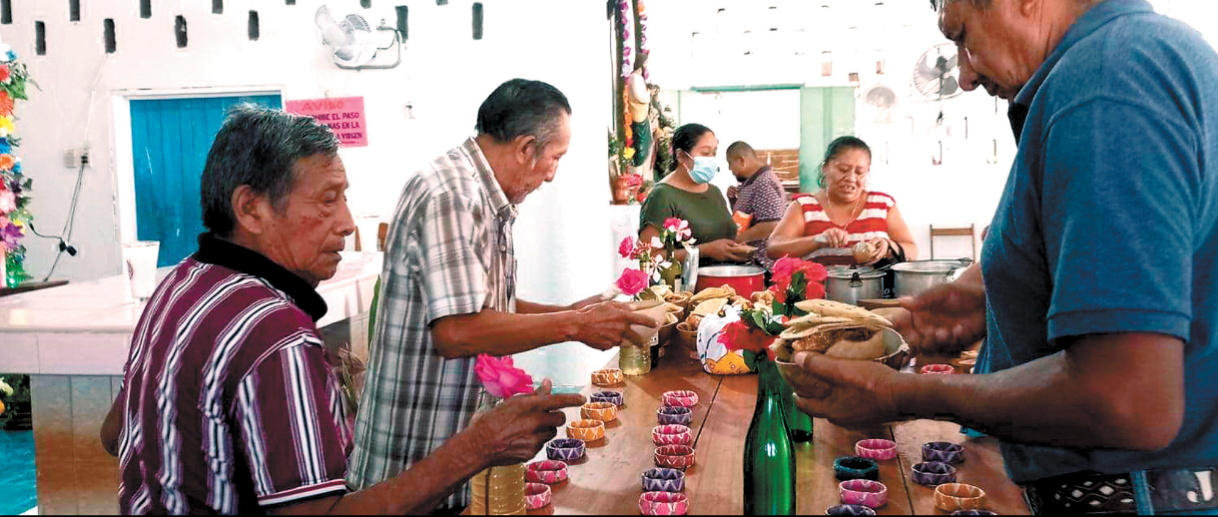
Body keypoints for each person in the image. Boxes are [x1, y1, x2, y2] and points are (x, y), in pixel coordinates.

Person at [788, 0, 1218, 515]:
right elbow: (1131, 276)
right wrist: (945, 311)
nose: (965, 72)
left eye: (963, 36)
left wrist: (903, 394)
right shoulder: (1169, 54)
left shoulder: (1106, 83)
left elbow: (1127, 400)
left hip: (1160, 496)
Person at [98, 105, 583, 515]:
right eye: (328, 200)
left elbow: (117, 431)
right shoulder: (274, 332)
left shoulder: (180, 285)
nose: (347, 223)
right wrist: (480, 446)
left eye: (344, 198)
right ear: (251, 209)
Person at [347, 79, 655, 511]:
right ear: (526, 148)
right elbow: (456, 331)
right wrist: (573, 325)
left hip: (450, 462)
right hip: (408, 467)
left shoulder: (483, 196)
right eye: (555, 158)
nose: (551, 175)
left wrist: (571, 312)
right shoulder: (451, 194)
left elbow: (487, 308)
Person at [766, 136, 916, 267]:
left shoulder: (883, 205)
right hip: (818, 298)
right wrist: (817, 240)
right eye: (843, 169)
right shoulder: (804, 206)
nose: (851, 178)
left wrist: (889, 245)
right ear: (825, 168)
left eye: (859, 172)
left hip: (875, 297)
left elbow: (912, 250)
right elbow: (773, 248)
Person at [639, 123, 751, 266]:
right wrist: (702, 251)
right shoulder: (662, 196)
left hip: (725, 282)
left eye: (714, 153)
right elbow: (648, 256)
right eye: (705, 153)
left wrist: (737, 248)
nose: (710, 159)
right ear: (680, 156)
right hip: (687, 286)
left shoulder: (714, 192)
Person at [725, 141, 788, 270]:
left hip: (762, 264)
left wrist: (738, 239)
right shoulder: (752, 182)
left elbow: (772, 224)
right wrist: (733, 201)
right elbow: (749, 217)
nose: (729, 169)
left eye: (730, 163)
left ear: (742, 160)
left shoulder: (764, 183)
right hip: (752, 262)